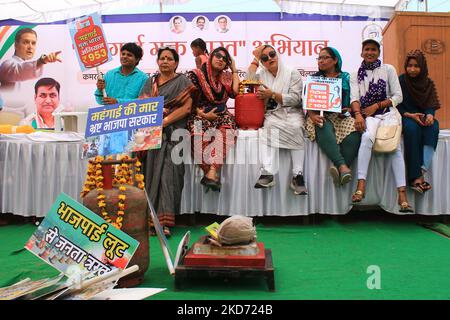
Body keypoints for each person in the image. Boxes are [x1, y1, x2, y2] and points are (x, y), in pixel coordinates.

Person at [139, 47, 196, 236]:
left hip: (174, 135)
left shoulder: (182, 81)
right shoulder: (150, 82)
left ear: (176, 63)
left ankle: (165, 224)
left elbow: (186, 108)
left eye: (169, 59)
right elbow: (143, 106)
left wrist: (163, 121)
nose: (165, 61)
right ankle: (150, 221)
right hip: (151, 135)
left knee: (170, 177)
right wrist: (154, 121)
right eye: (161, 58)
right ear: (157, 62)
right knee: (151, 174)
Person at [350, 39, 413, 212]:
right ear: (362, 53)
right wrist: (358, 115)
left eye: (374, 50)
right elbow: (354, 98)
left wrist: (377, 106)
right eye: (367, 49)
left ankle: (402, 194)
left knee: (395, 146)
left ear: (379, 52)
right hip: (368, 116)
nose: (370, 52)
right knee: (367, 138)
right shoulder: (355, 73)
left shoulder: (388, 69)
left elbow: (398, 96)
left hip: (388, 113)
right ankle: (361, 185)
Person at [248, 45, 307, 195]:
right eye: (264, 58)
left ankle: (297, 175)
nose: (270, 59)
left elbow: (295, 99)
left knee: (296, 126)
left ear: (277, 54)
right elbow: (248, 80)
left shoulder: (292, 72)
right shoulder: (261, 74)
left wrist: (272, 94)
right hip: (273, 114)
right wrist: (255, 58)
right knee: (269, 127)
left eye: (272, 54)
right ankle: (268, 173)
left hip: (292, 112)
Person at [305, 47, 361, 186]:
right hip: (318, 115)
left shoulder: (346, 77)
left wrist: (347, 110)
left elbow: (352, 99)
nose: (321, 61)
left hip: (340, 115)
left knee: (354, 130)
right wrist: (312, 116)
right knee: (322, 124)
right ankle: (342, 166)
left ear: (335, 60)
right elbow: (307, 102)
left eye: (325, 58)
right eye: (319, 58)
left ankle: (340, 170)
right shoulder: (314, 78)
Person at [187, 47, 240, 192]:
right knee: (197, 137)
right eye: (218, 56)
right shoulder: (195, 75)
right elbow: (187, 101)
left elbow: (235, 92)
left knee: (227, 133)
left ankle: (211, 173)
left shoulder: (227, 77)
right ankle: (211, 173)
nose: (221, 59)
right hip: (198, 114)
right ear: (210, 57)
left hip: (221, 115)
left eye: (225, 59)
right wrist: (204, 115)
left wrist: (234, 68)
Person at [398, 49, 440, 193]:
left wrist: (429, 114)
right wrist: (409, 115)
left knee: (433, 126)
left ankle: (423, 168)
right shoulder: (401, 81)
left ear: (422, 67)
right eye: (409, 65)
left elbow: (431, 104)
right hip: (405, 116)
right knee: (412, 129)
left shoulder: (427, 82)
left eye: (416, 66)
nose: (412, 69)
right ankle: (415, 178)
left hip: (421, 116)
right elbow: (396, 104)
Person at [94, 42, 148, 155]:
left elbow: (144, 104)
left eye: (129, 55)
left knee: (129, 164)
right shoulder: (110, 74)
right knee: (109, 162)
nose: (124, 56)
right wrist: (100, 89)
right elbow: (100, 100)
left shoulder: (143, 78)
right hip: (111, 125)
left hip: (132, 127)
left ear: (137, 59)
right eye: (123, 53)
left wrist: (118, 102)